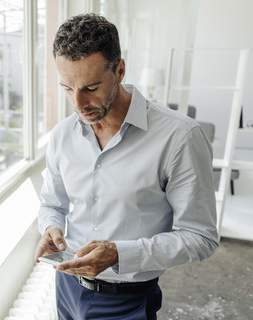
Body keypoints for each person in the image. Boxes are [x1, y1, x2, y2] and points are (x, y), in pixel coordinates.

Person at [34, 13, 218, 320]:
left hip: (126, 302)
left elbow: (201, 237)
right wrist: (50, 227)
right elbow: (52, 203)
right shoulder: (62, 134)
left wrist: (120, 254)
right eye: (67, 88)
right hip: (66, 287)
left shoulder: (179, 137)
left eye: (91, 87)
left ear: (119, 70)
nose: (78, 104)